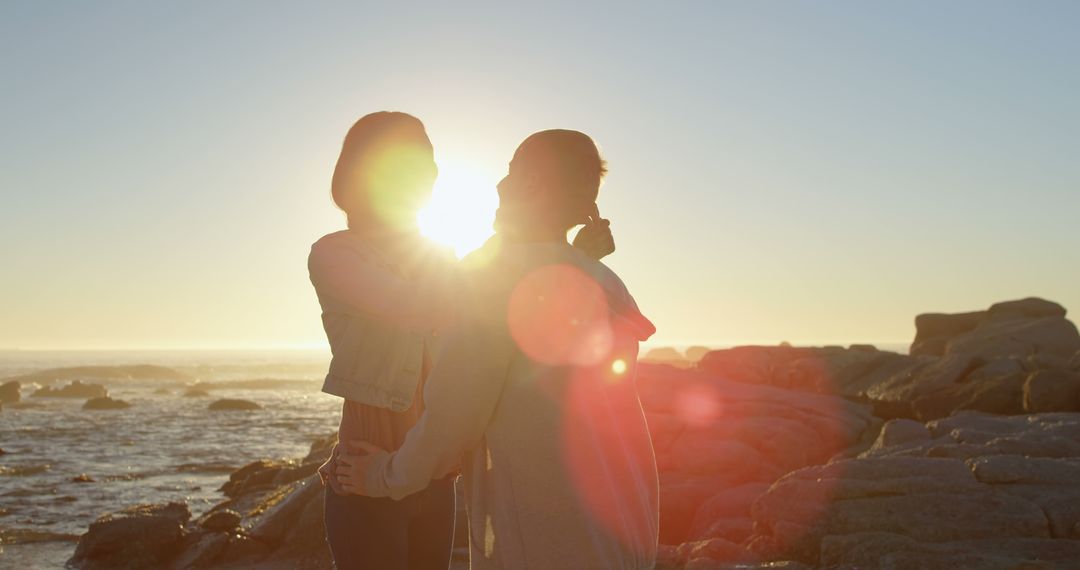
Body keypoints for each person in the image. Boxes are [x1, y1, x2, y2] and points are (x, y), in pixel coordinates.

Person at [334, 130, 660, 570]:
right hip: (624, 525)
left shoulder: (495, 284)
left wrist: (383, 475)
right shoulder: (602, 281)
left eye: (511, 172)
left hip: (548, 541)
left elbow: (452, 418)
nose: (500, 185)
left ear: (531, 183)